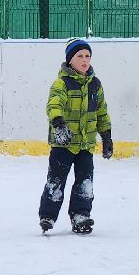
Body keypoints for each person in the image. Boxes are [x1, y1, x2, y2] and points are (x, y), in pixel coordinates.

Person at [40, 39, 113, 235]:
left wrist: (106, 136)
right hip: (63, 143)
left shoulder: (95, 85)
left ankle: (80, 216)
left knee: (85, 182)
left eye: (87, 56)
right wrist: (58, 124)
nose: (84, 60)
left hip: (85, 144)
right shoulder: (61, 83)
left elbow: (101, 112)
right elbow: (53, 105)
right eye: (79, 56)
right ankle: (47, 216)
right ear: (70, 60)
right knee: (56, 180)